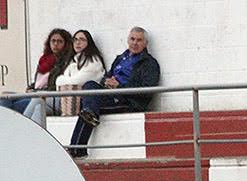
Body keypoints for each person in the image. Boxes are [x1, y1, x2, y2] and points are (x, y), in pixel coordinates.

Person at [69, 27, 160, 157]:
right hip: (109, 94)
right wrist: (107, 81)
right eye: (132, 39)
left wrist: (120, 86)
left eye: (139, 40)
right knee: (89, 86)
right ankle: (79, 145)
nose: (135, 43)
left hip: (128, 101)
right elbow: (107, 76)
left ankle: (76, 149)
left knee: (89, 108)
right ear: (127, 40)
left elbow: (147, 90)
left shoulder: (150, 63)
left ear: (145, 43)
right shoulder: (120, 59)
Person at [22, 30, 106, 126]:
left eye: (82, 40)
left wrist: (64, 81)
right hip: (65, 100)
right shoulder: (73, 61)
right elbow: (60, 81)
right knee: (38, 108)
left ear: (89, 43)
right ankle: (31, 134)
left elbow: (75, 82)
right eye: (75, 40)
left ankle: (23, 128)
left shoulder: (93, 61)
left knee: (38, 100)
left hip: (77, 102)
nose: (78, 42)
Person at [0, 29, 72, 114]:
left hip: (47, 98)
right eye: (53, 41)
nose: (55, 44)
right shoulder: (44, 59)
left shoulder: (66, 62)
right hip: (34, 93)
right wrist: (31, 87)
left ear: (66, 44)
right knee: (4, 96)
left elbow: (57, 86)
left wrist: (35, 92)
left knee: (14, 106)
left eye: (60, 41)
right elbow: (40, 82)